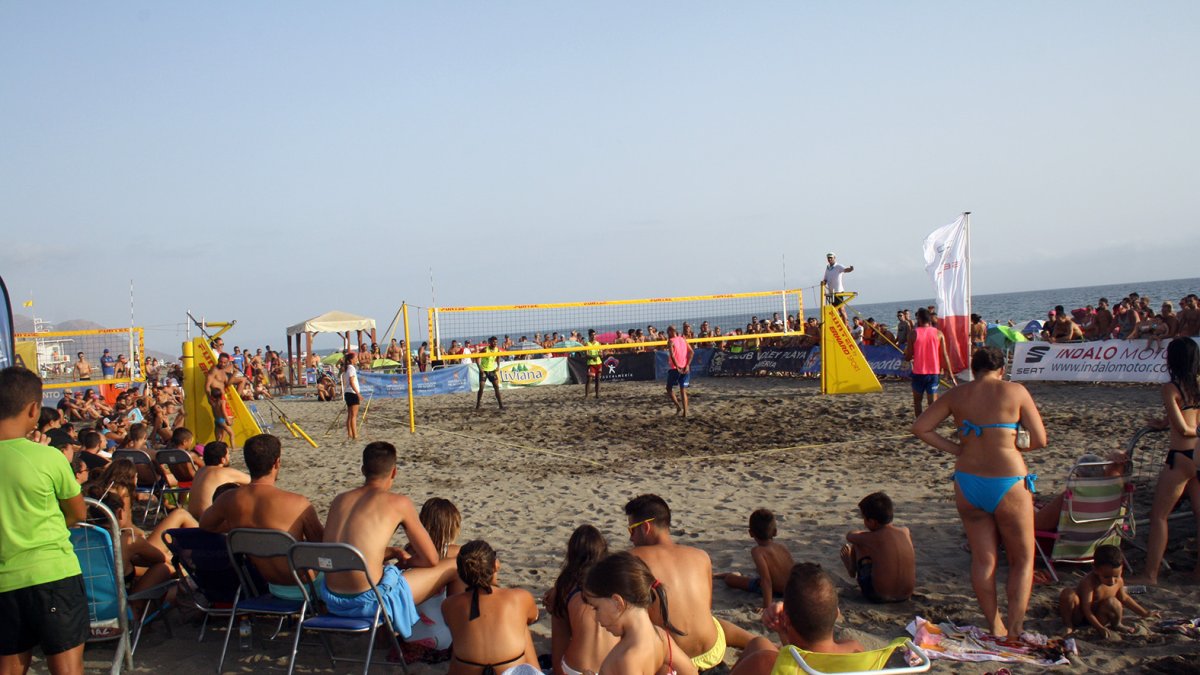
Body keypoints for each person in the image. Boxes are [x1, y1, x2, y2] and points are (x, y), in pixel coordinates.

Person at [912, 346, 1047, 638]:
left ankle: (994, 624)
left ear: (973, 370)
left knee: (984, 560)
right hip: (1008, 479)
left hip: (968, 481)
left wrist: (957, 448)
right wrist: (1017, 446)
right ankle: (1015, 627)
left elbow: (921, 427)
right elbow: (1040, 439)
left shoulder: (957, 394)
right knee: (1022, 559)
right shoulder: (1016, 391)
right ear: (1002, 369)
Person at [320, 442, 458, 638]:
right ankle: (460, 636)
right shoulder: (398, 503)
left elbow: (347, 548)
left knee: (384, 570)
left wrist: (392, 552)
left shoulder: (339, 500)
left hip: (332, 599)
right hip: (370, 602)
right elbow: (431, 559)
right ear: (394, 472)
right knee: (454, 566)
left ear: (363, 470)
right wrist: (407, 562)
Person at [0, 367, 88, 675]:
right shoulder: (48, 457)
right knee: (66, 665)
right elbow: (78, 513)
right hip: (52, 572)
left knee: (9, 665)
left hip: (5, 580)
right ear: (34, 409)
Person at [626, 494, 752, 674]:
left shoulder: (632, 560)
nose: (631, 538)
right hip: (712, 654)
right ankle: (756, 640)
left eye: (631, 530)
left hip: (674, 661)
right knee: (712, 621)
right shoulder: (701, 556)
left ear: (646, 527)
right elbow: (706, 608)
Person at [199, 434, 324, 594]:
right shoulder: (298, 503)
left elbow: (206, 524)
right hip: (306, 588)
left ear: (248, 463)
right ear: (277, 462)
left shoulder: (228, 499)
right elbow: (322, 545)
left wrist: (239, 529)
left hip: (271, 586)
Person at [1137, 337, 1200, 585]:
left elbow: (1185, 428)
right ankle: (1197, 574)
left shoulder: (1171, 388)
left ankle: (1150, 574)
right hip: (1199, 454)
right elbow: (1190, 415)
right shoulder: (1196, 385)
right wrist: (1164, 423)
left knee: (1159, 516)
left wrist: (1183, 428)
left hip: (1182, 456)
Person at [729, 563, 864, 675]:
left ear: (787, 620)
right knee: (759, 642)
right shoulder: (855, 649)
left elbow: (793, 663)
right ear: (836, 614)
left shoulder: (763, 663)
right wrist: (783, 631)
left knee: (758, 646)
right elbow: (803, 657)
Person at [581, 551, 698, 675]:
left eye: (596, 608)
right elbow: (690, 671)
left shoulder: (626, 659)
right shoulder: (661, 636)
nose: (596, 617)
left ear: (617, 602)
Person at [443, 540, 541, 674]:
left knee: (460, 640)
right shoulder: (519, 597)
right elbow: (533, 616)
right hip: (509, 670)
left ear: (461, 574)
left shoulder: (449, 604)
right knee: (520, 623)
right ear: (496, 565)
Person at [547, 525, 618, 675]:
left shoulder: (565, 589)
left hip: (578, 668)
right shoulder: (618, 584)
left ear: (571, 554)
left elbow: (558, 649)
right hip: (617, 666)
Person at [407, 497, 465, 655]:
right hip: (442, 637)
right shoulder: (454, 553)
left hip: (409, 637)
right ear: (452, 527)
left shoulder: (409, 552)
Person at [1059, 545, 1154, 638]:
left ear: (1121, 568)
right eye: (1106, 577)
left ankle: (1117, 624)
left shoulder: (1119, 581)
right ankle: (1068, 625)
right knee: (1068, 593)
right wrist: (1099, 628)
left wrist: (1144, 613)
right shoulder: (1089, 582)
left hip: (1100, 617)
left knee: (1113, 602)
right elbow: (1086, 609)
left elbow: (1125, 598)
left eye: (1116, 576)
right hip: (1080, 617)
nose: (1112, 581)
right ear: (1095, 570)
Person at [839, 492, 915, 603]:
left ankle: (852, 569)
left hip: (878, 595)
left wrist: (861, 533)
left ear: (872, 522)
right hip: (906, 594)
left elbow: (850, 536)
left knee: (859, 544)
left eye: (864, 519)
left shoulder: (874, 538)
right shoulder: (905, 531)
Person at [716, 509, 795, 611]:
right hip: (790, 589)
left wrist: (767, 606)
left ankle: (729, 574)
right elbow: (793, 571)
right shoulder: (781, 547)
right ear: (775, 532)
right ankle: (726, 574)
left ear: (751, 533)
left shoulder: (758, 551)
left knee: (729, 580)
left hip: (775, 590)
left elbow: (766, 581)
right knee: (754, 579)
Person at [903, 307, 956, 417]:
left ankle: (920, 425)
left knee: (918, 402)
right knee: (932, 403)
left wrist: (906, 356)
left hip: (918, 373)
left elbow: (908, 356)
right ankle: (930, 426)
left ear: (920, 320)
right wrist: (950, 373)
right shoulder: (939, 333)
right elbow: (945, 355)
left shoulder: (913, 334)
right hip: (933, 373)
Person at [187, 441, 250, 518]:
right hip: (210, 522)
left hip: (193, 519)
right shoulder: (224, 472)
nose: (229, 457)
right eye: (228, 454)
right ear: (223, 459)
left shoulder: (200, 471)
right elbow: (256, 481)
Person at [204, 352, 244, 446]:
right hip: (216, 397)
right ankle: (220, 442)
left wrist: (234, 373)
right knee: (225, 421)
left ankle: (219, 442)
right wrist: (209, 398)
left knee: (220, 423)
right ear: (218, 360)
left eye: (224, 362)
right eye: (220, 362)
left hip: (222, 397)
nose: (222, 364)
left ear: (227, 362)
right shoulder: (214, 370)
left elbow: (228, 384)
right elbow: (207, 386)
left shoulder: (223, 371)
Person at [665, 326, 694, 418]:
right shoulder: (682, 339)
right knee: (683, 390)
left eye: (667, 332)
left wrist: (677, 366)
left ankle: (678, 407)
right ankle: (685, 413)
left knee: (669, 388)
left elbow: (672, 356)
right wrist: (688, 365)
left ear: (670, 332)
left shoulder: (671, 341)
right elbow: (692, 352)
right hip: (685, 368)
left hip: (675, 368)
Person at [340, 351, 363, 440]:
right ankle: (355, 435)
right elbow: (351, 382)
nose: (357, 359)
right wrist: (358, 393)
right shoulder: (351, 368)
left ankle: (350, 434)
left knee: (350, 415)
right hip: (352, 393)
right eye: (355, 358)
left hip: (347, 393)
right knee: (353, 416)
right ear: (351, 359)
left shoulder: (346, 369)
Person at [476, 336, 504, 410]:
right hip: (484, 371)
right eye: (493, 342)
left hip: (492, 370)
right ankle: (478, 405)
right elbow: (476, 358)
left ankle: (501, 405)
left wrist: (498, 366)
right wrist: (480, 368)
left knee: (496, 387)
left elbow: (498, 358)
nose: (495, 343)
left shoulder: (497, 350)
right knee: (481, 388)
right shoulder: (485, 349)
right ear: (490, 342)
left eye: (496, 342)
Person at [584, 329, 603, 400]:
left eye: (595, 335)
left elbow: (601, 354)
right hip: (591, 363)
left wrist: (601, 354)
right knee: (589, 379)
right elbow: (586, 355)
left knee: (598, 379)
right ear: (589, 336)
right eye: (592, 335)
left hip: (598, 363)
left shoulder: (598, 343)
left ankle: (597, 395)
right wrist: (593, 357)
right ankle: (586, 396)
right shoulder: (587, 344)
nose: (594, 336)